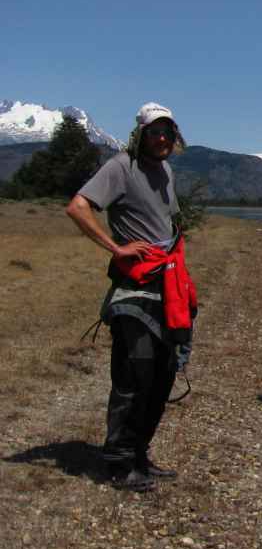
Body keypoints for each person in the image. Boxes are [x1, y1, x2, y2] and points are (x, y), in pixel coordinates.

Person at [65, 102, 196, 492]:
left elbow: (165, 221)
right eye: (155, 132)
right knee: (134, 373)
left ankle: (139, 453)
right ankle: (119, 463)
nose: (162, 139)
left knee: (163, 374)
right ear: (140, 134)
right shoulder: (121, 166)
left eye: (168, 132)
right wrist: (115, 247)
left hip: (166, 284)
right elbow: (78, 207)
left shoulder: (166, 170)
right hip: (133, 288)